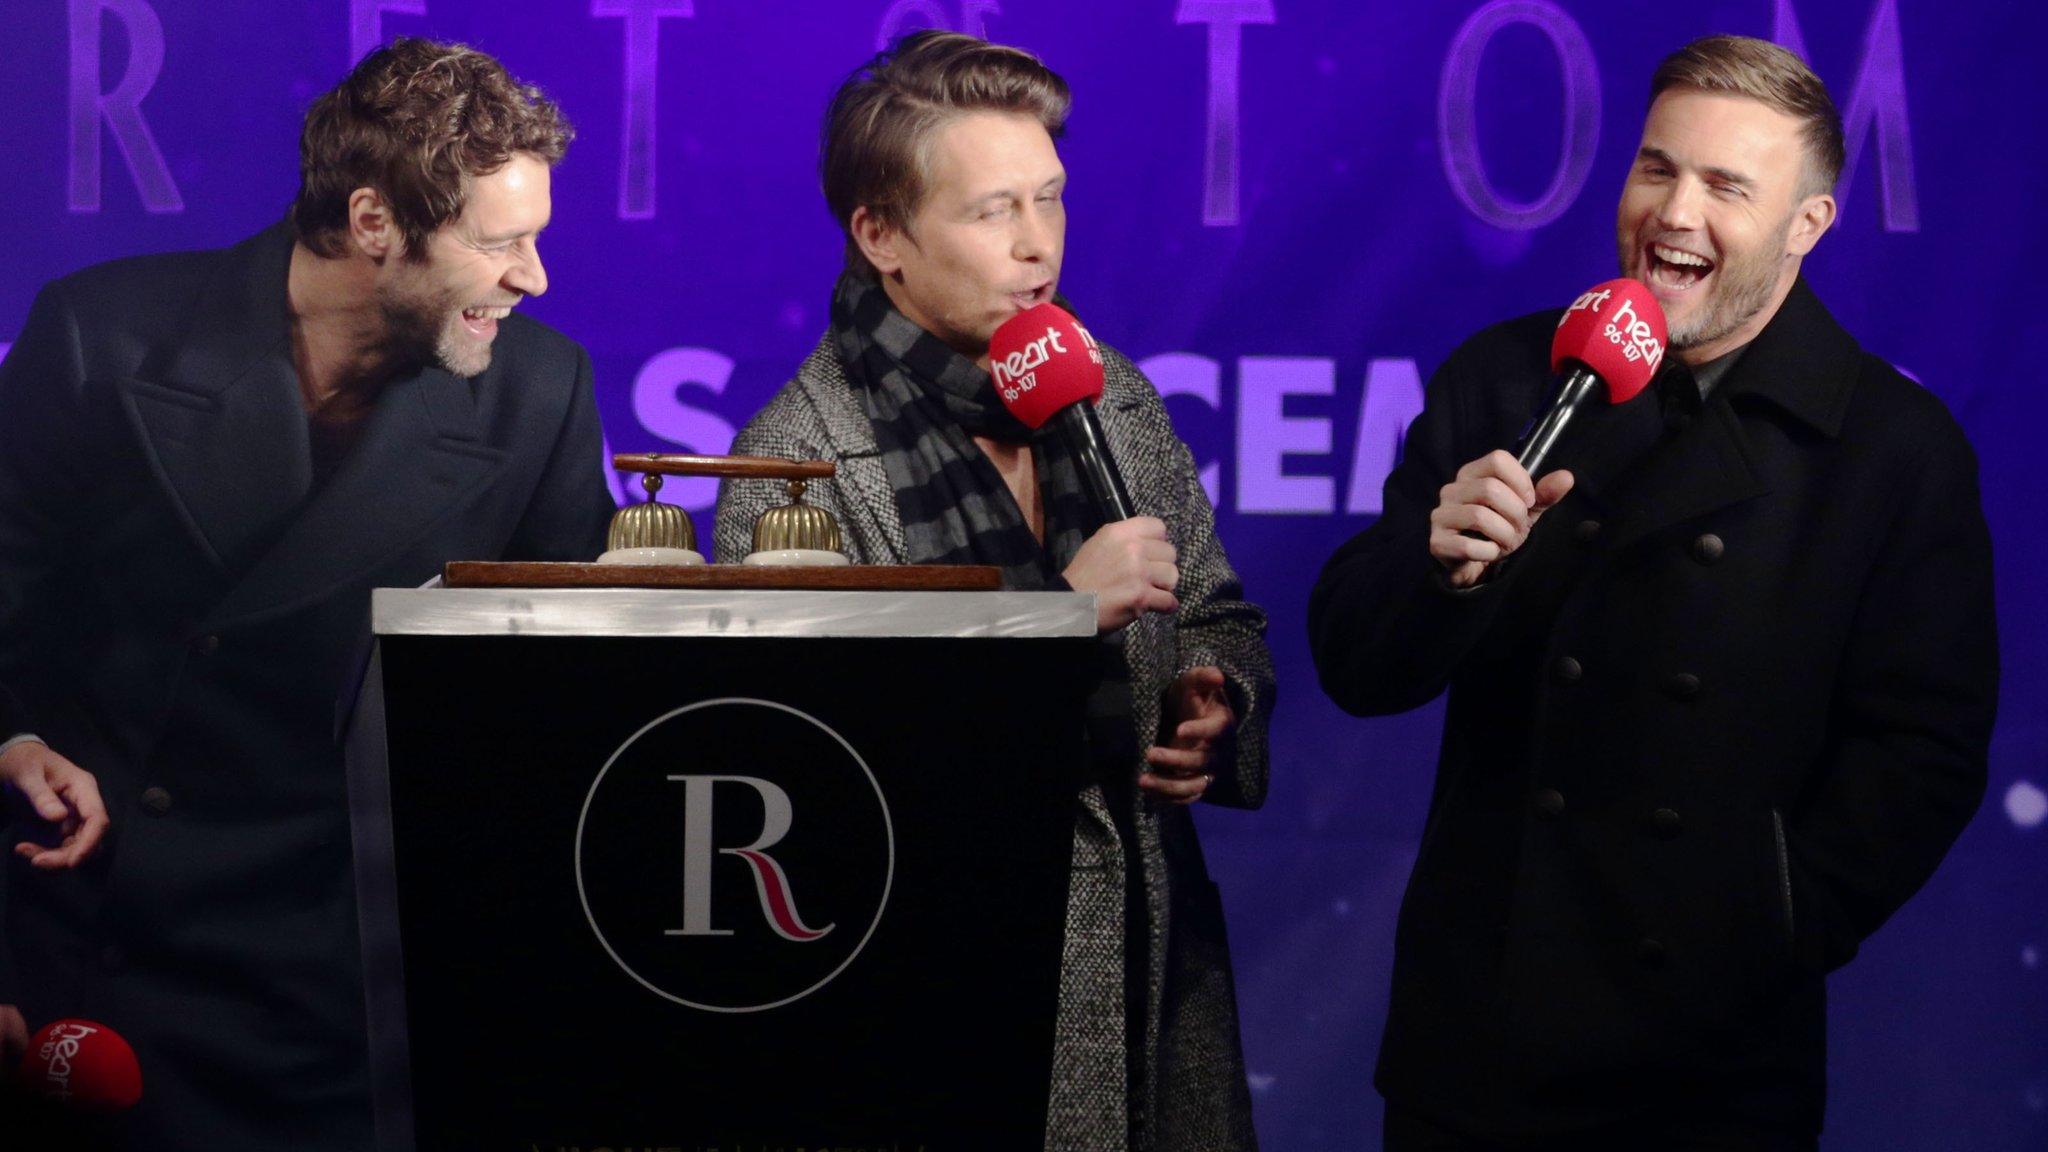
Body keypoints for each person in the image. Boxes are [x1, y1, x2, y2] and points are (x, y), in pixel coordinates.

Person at [1308, 35, 1997, 1151]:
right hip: (1475, 1051)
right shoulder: (1501, 377)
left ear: (1806, 225)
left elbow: (1923, 750)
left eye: (1726, 186)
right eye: (1654, 168)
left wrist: (1773, 913)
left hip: (1711, 1064)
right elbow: (1354, 664)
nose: (1673, 215)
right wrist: (1434, 575)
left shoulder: (1890, 449)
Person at [0, 38, 612, 1149]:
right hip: (88, 952)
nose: (534, 278)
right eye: (499, 243)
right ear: (374, 222)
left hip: (340, 987)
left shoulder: (543, 393)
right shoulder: (101, 332)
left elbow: (561, 717)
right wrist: (12, 737)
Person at [714, 31, 1273, 1152]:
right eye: (990, 213)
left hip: (1150, 988)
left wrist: (1217, 701)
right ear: (881, 236)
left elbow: (1218, 614)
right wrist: (1054, 620)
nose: (1036, 247)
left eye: (1050, 200)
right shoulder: (791, 465)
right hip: (926, 1014)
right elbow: (816, 795)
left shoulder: (1108, 390)